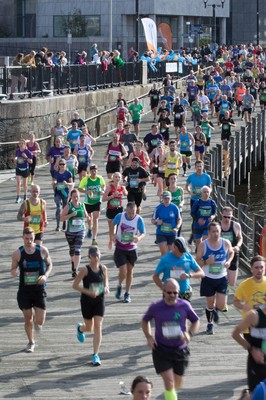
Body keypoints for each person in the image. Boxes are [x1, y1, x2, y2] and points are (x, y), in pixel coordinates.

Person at [141, 278, 200, 400]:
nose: (172, 295)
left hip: (180, 350)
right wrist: (149, 337)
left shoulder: (184, 305)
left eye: (175, 293)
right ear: (163, 291)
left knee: (177, 383)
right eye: (169, 292)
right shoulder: (156, 306)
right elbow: (145, 320)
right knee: (169, 382)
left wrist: (189, 334)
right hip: (161, 350)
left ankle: (170, 394)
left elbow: (196, 321)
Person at [11, 227, 52, 353]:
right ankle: (31, 342)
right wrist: (14, 272)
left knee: (40, 321)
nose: (29, 241)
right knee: (27, 317)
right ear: (23, 237)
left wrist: (45, 276)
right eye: (27, 238)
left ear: (34, 238)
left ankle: (36, 321)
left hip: (39, 289)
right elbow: (12, 269)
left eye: (31, 238)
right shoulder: (17, 253)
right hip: (24, 290)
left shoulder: (42, 250)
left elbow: (50, 264)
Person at [72, 246, 109, 367]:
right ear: (89, 258)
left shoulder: (103, 268)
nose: (97, 259)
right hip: (87, 301)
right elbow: (75, 286)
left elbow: (106, 283)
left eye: (98, 256)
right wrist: (89, 292)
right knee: (89, 328)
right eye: (94, 257)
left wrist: (106, 288)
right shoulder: (85, 270)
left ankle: (95, 355)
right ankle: (80, 329)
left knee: (98, 325)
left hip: (100, 300)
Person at [196, 222, 234, 335]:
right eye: (213, 231)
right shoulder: (203, 245)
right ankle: (209, 323)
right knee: (210, 303)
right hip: (208, 278)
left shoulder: (225, 243)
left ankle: (216, 310)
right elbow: (197, 261)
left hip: (221, 277)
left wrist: (228, 261)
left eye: (217, 231)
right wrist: (207, 262)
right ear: (209, 232)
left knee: (222, 305)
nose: (216, 234)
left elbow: (231, 252)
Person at [110, 202, 146, 304]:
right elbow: (112, 224)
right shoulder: (120, 216)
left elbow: (143, 232)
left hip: (131, 248)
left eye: (133, 213)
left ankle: (127, 293)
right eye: (129, 213)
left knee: (130, 271)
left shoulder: (138, 219)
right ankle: (120, 284)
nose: (131, 215)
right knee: (123, 270)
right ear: (126, 210)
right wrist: (113, 235)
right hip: (120, 247)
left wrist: (138, 238)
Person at [232, 303, 266, 395]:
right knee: (255, 394)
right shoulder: (254, 316)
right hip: (257, 364)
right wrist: (252, 349)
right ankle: (246, 396)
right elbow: (235, 334)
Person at [60, 189, 89, 278]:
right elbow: (61, 218)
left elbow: (86, 214)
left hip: (81, 230)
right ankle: (73, 263)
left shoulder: (82, 205)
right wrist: (71, 215)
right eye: (74, 197)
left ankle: (75, 270)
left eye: (77, 197)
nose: (76, 198)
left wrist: (88, 217)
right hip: (70, 231)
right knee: (72, 250)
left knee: (78, 249)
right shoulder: (68, 206)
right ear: (71, 198)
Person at [78, 164, 106, 246]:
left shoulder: (100, 178)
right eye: (92, 171)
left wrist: (102, 190)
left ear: (97, 171)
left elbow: (103, 186)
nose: (94, 172)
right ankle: (90, 228)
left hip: (97, 201)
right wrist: (87, 192)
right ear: (90, 171)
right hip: (88, 202)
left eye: (95, 170)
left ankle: (94, 238)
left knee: (96, 219)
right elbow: (80, 188)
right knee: (89, 220)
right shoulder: (86, 179)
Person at [233, 255, 266, 323]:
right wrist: (244, 306)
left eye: (261, 267)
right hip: (249, 325)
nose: (259, 270)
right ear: (251, 269)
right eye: (256, 268)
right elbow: (236, 302)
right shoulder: (244, 285)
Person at [151, 191, 182, 256]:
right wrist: (157, 222)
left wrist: (177, 227)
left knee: (172, 254)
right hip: (161, 233)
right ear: (162, 198)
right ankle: (165, 265)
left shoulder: (175, 207)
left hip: (172, 233)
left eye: (168, 198)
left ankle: (170, 266)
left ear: (171, 198)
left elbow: (179, 219)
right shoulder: (158, 208)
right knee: (164, 253)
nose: (166, 200)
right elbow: (152, 220)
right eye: (165, 198)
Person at [102, 172, 128, 249]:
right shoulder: (109, 187)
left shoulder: (121, 187)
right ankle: (111, 240)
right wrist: (112, 196)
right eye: (116, 177)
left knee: (120, 226)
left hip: (119, 209)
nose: (117, 179)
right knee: (111, 227)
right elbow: (103, 199)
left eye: (118, 177)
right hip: (110, 209)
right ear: (113, 178)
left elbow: (126, 194)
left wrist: (125, 191)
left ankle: (117, 241)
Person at [220, 206, 243, 287]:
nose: (226, 219)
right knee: (221, 280)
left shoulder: (236, 225)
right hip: (220, 255)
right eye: (225, 216)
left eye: (229, 217)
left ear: (232, 216)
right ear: (221, 215)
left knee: (232, 283)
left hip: (233, 254)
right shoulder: (217, 226)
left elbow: (240, 238)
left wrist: (238, 246)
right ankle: (222, 295)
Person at [191, 186, 217, 250]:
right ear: (201, 193)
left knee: (205, 241)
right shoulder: (197, 202)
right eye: (204, 192)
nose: (206, 193)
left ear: (210, 193)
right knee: (198, 244)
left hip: (207, 225)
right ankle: (198, 255)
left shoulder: (212, 202)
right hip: (198, 225)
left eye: (207, 192)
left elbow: (214, 213)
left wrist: (213, 216)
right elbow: (192, 213)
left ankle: (204, 257)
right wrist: (198, 219)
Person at [53, 159, 73, 231]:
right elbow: (54, 181)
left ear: (65, 165)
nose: (61, 166)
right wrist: (54, 182)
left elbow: (72, 183)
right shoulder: (56, 173)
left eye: (63, 164)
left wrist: (67, 184)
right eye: (60, 164)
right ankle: (58, 225)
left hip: (65, 193)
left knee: (65, 209)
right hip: (58, 192)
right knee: (58, 207)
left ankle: (64, 222)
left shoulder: (68, 173)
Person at [15, 138, 33, 203]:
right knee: (18, 183)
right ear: (18, 144)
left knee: (24, 184)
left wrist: (26, 157)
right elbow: (16, 157)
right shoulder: (17, 151)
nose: (21, 145)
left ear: (25, 144)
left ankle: (25, 196)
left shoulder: (27, 152)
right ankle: (18, 197)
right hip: (18, 168)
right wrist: (15, 159)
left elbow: (31, 161)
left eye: (22, 143)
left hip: (25, 169)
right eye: (20, 143)